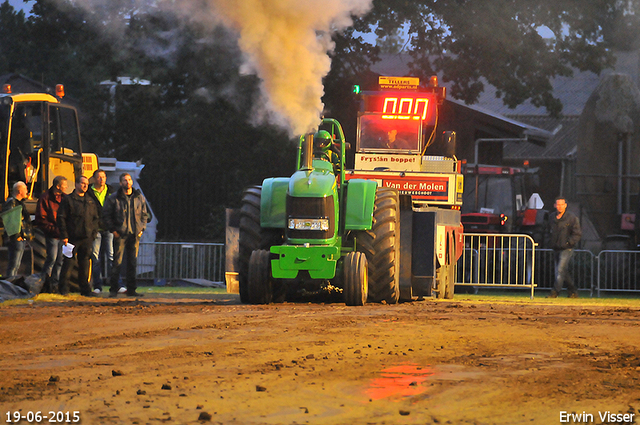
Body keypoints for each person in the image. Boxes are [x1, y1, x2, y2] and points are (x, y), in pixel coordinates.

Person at [104, 172, 149, 298]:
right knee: (117, 263)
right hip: (120, 234)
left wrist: (141, 229)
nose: (127, 182)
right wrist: (113, 230)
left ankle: (131, 290)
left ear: (132, 182)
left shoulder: (139, 197)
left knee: (132, 263)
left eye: (129, 179)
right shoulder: (113, 198)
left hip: (134, 235)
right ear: (120, 183)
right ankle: (113, 290)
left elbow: (145, 215)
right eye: (124, 180)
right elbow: (106, 215)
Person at [57, 175, 100, 296]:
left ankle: (85, 290)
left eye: (86, 183)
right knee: (68, 263)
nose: (85, 185)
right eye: (82, 183)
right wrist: (64, 235)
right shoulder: (68, 200)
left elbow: (95, 219)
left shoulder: (90, 201)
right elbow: (61, 218)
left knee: (85, 264)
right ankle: (63, 289)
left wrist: (93, 234)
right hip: (71, 238)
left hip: (87, 238)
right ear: (76, 184)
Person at [86, 169, 118, 294]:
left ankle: (116, 284)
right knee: (95, 258)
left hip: (109, 228)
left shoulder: (111, 192)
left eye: (103, 177)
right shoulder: (88, 192)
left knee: (111, 256)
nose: (101, 179)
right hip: (95, 230)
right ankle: (97, 286)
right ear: (94, 179)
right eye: (99, 177)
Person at [34, 176, 68, 293]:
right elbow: (41, 218)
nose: (67, 187)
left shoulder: (65, 198)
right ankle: (43, 284)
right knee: (52, 259)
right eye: (65, 185)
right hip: (52, 234)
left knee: (59, 260)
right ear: (58, 187)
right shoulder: (45, 198)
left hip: (62, 235)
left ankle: (54, 286)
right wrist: (54, 230)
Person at [548, 196, 582, 298]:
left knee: (559, 270)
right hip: (556, 247)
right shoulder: (551, 218)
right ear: (554, 205)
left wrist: (569, 243)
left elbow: (577, 234)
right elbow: (547, 232)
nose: (560, 207)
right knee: (563, 271)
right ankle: (573, 291)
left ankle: (555, 292)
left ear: (565, 205)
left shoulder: (572, 218)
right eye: (558, 204)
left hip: (567, 248)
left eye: (562, 205)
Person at [2, 181, 33, 277]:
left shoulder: (19, 203)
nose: (27, 191)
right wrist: (17, 236)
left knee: (16, 264)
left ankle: (11, 283)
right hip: (16, 238)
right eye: (25, 189)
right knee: (14, 264)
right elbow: (11, 221)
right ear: (20, 191)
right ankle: (10, 284)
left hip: (20, 237)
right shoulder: (12, 203)